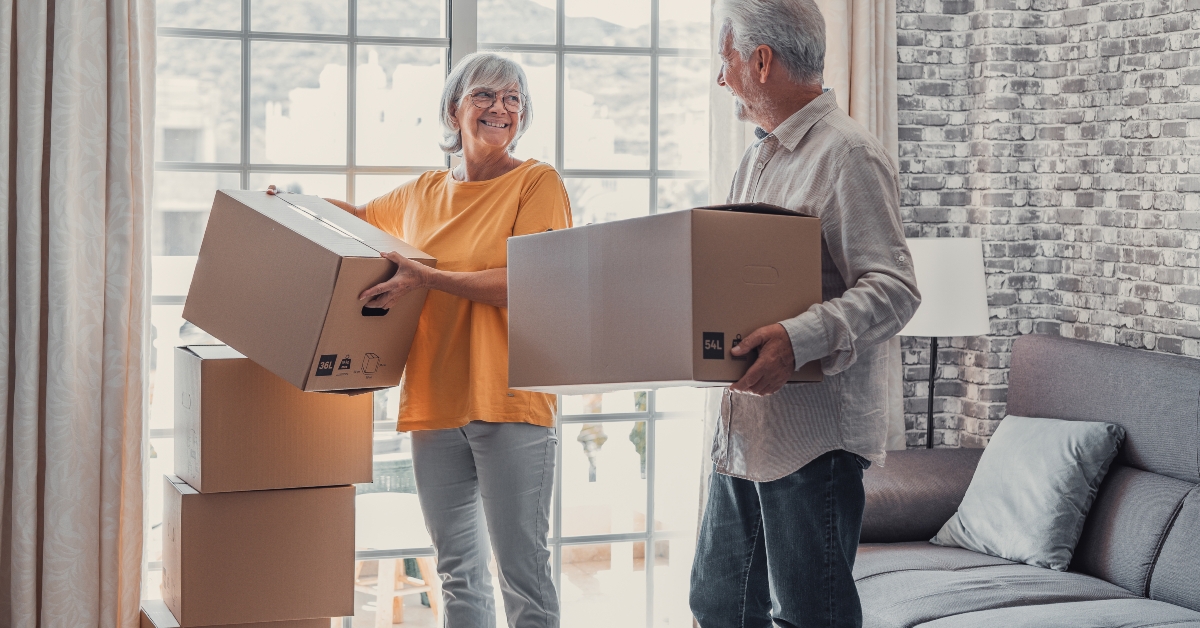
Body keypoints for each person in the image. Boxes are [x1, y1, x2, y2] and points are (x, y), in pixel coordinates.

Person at [271, 52, 569, 628]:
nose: (500, 108)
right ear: (454, 109)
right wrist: (293, 205)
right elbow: (357, 218)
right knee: (457, 572)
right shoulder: (423, 193)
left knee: (523, 573)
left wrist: (429, 278)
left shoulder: (536, 182)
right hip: (434, 403)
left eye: (513, 98)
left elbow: (531, 283)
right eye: (484, 95)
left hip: (510, 401)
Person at [688, 1, 921, 627]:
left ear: (761, 62)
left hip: (813, 444)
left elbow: (895, 288)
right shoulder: (755, 159)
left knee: (810, 617)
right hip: (743, 434)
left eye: (726, 61)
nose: (721, 78)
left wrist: (797, 340)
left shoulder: (849, 155)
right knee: (718, 606)